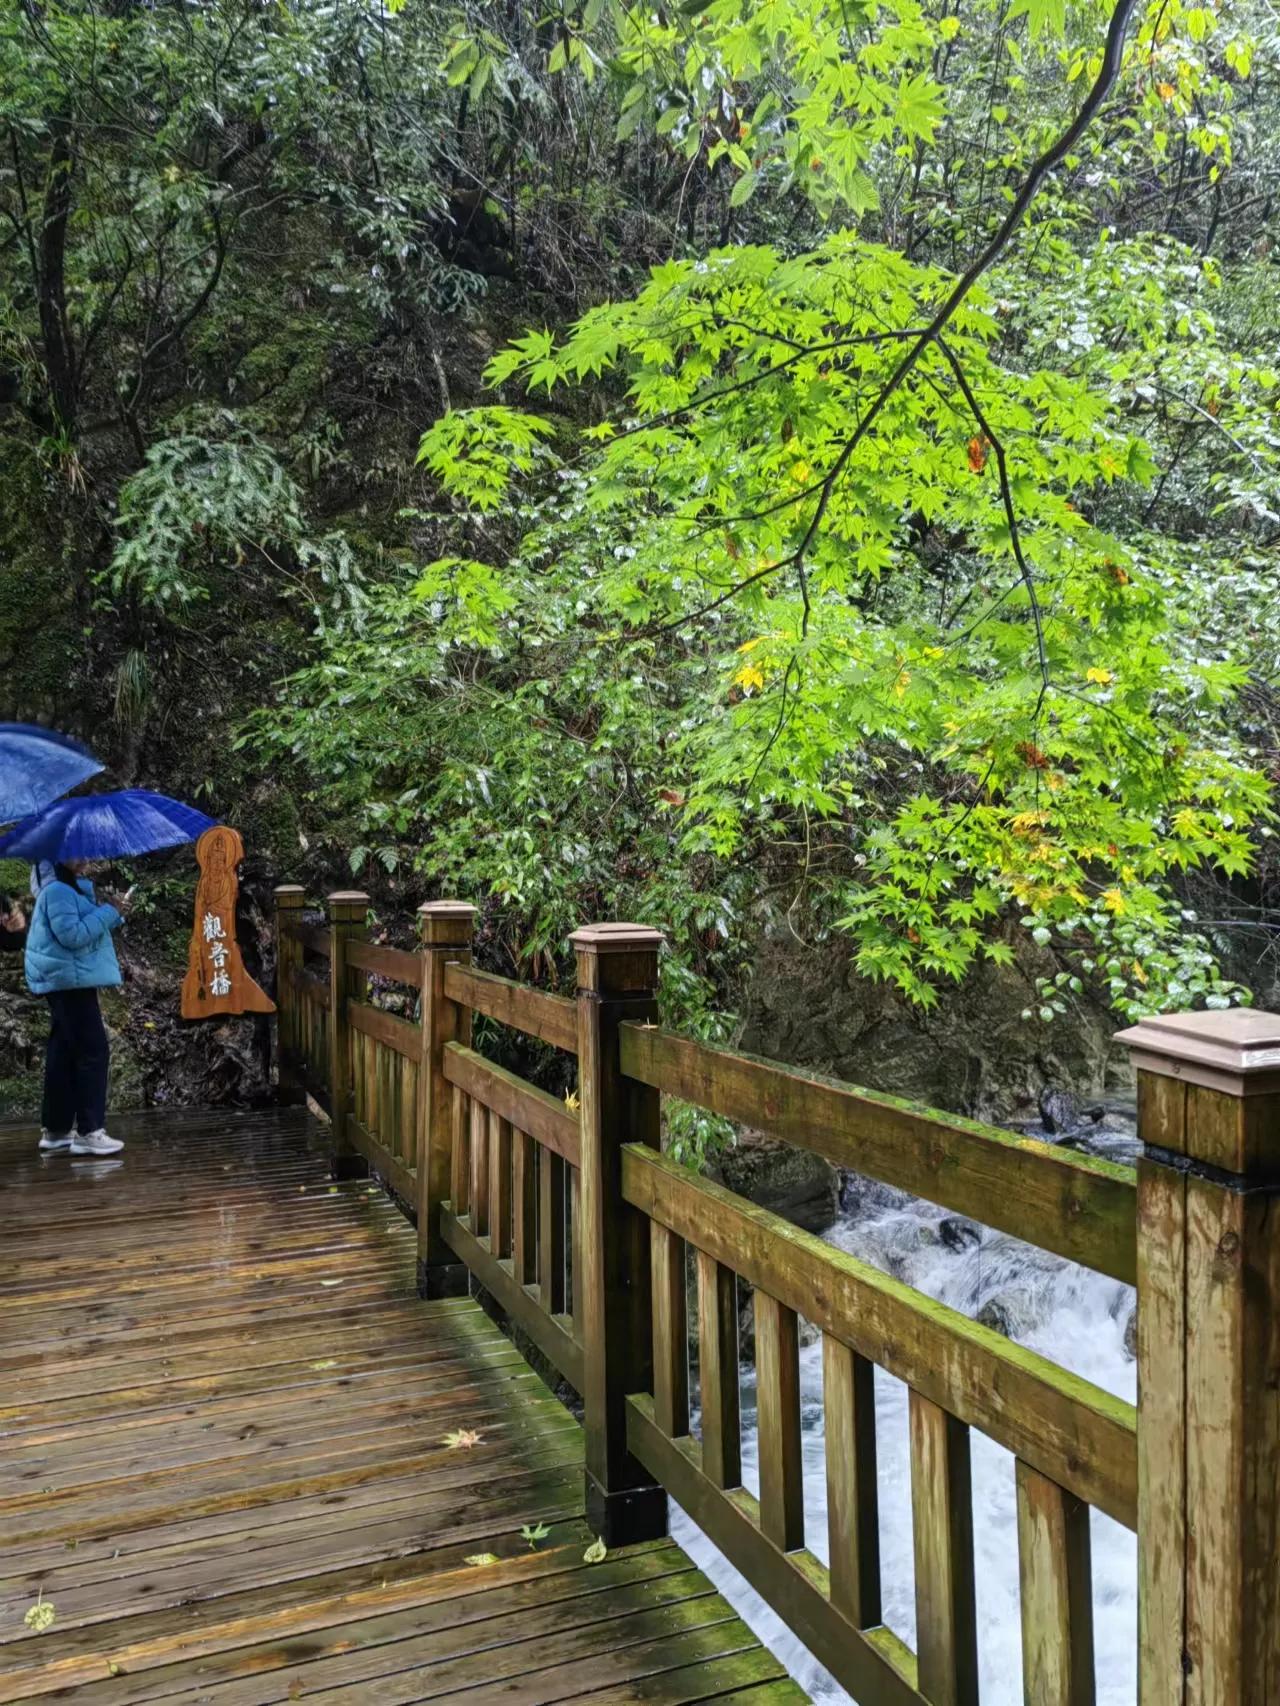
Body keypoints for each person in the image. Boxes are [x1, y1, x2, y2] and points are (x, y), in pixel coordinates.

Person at [25, 859, 128, 1156]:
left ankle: (56, 1130)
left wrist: (114, 913)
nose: (85, 857)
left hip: (66, 979)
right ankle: (89, 1131)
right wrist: (110, 912)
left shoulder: (66, 889)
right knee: (93, 1050)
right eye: (76, 852)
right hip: (70, 981)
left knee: (64, 1053)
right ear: (58, 859)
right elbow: (72, 936)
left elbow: (81, 929)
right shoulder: (57, 890)